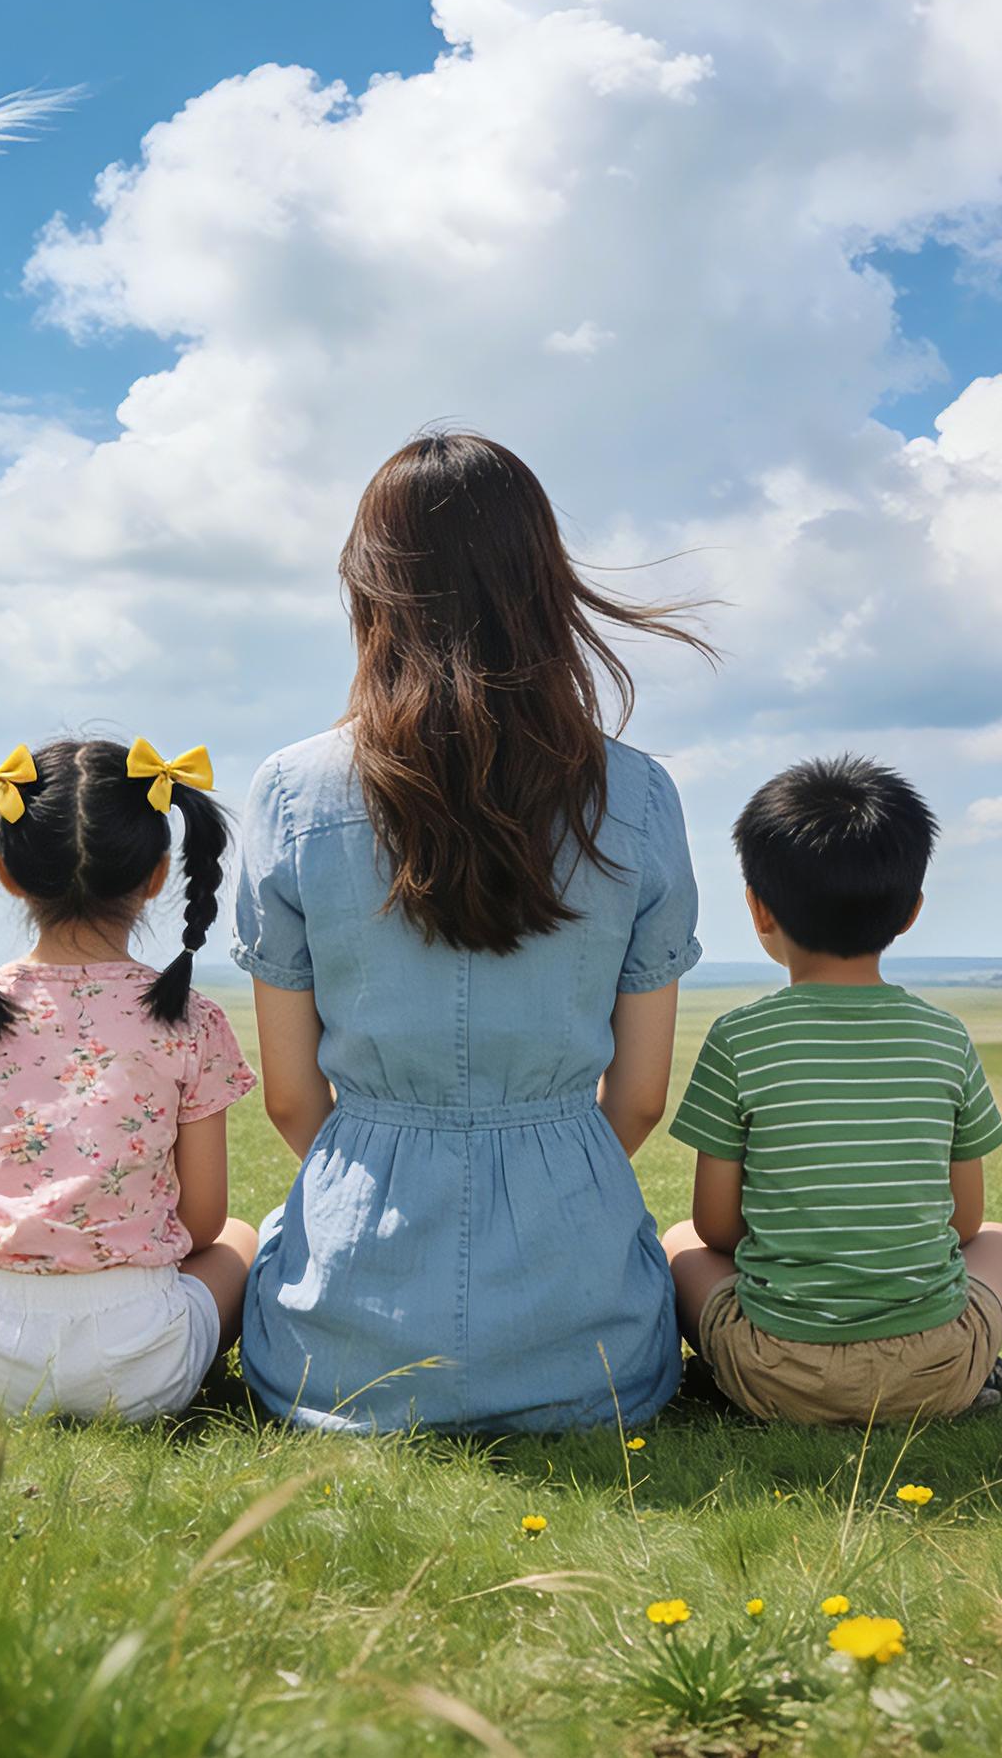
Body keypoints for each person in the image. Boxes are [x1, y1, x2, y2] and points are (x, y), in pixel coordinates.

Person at [232, 431, 713, 1432]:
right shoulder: (640, 793)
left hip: (338, 1360)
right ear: (543, 583)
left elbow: (288, 1099)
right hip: (590, 1358)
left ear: (369, 588)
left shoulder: (287, 789)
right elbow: (636, 1098)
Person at [0, 737, 258, 1421]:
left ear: (5, 874)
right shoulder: (194, 1018)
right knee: (245, 1240)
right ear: (160, 875)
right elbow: (203, 1223)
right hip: (144, 1370)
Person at [663, 755, 1002, 1424]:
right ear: (912, 912)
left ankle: (721, 1382)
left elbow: (716, 1227)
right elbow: (967, 1224)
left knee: (679, 1241)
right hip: (934, 1372)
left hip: (777, 1373)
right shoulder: (945, 1036)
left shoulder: (738, 1038)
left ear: (757, 907)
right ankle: (976, 1379)